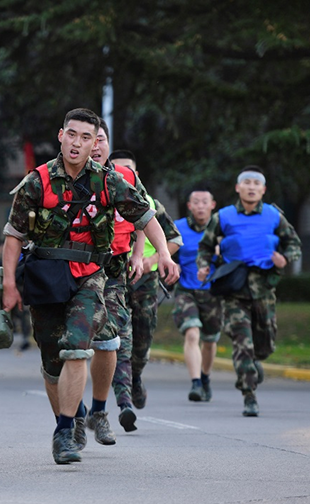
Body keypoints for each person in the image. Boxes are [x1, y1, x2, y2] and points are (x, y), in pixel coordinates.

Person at [1, 107, 177, 465]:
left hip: (90, 275)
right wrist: (9, 285)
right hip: (46, 274)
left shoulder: (109, 180)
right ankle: (68, 419)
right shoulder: (37, 181)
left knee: (78, 347)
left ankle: (66, 431)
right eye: (73, 135)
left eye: (88, 137)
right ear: (61, 136)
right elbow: (14, 236)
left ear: (96, 141)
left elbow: (146, 216)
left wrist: (163, 253)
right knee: (52, 362)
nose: (79, 143)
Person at [197, 166, 301, 417]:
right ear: (238, 187)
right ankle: (249, 394)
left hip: (264, 289)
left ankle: (256, 361)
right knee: (241, 342)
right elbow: (206, 246)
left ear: (263, 189)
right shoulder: (224, 216)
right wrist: (203, 266)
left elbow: (293, 244)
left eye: (257, 183)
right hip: (235, 289)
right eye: (247, 182)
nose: (252, 187)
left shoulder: (275, 216)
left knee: (264, 345)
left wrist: (284, 259)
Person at [79, 123, 146, 447]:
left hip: (113, 270)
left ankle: (100, 412)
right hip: (73, 269)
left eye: (100, 139)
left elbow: (143, 216)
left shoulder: (125, 178)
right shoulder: (66, 178)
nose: (94, 146)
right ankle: (74, 414)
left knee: (110, 338)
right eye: (88, 139)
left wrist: (139, 253)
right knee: (72, 344)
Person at [109, 150, 182, 417]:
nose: (119, 174)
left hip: (146, 284)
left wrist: (152, 261)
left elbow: (174, 239)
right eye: (113, 168)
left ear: (135, 174)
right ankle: (124, 402)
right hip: (115, 278)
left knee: (141, 341)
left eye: (126, 169)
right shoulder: (103, 199)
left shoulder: (150, 204)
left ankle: (136, 377)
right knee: (121, 341)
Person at [173, 188, 222, 402]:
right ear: (190, 206)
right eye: (196, 202)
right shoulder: (178, 228)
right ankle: (195, 384)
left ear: (213, 205)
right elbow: (166, 252)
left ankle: (205, 377)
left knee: (210, 341)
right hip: (186, 290)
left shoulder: (222, 229)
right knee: (192, 333)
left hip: (213, 292)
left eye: (205, 202)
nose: (200, 206)